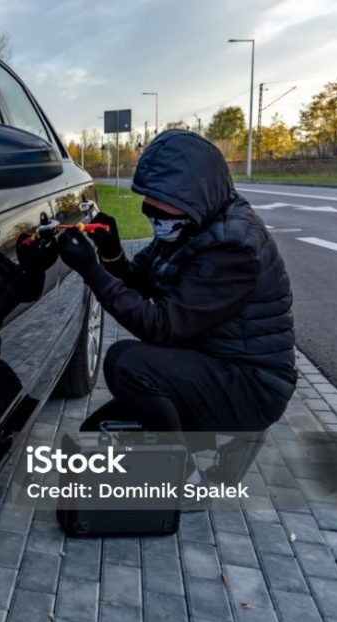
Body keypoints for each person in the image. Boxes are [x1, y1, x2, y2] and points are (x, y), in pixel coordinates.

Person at [56, 130, 296, 480]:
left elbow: (162, 326)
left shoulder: (232, 249)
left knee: (127, 363)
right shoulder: (192, 224)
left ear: (192, 194)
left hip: (250, 385)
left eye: (160, 199)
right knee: (94, 433)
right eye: (147, 197)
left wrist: (91, 271)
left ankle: (183, 477)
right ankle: (211, 439)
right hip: (212, 363)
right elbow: (141, 281)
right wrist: (111, 251)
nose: (150, 209)